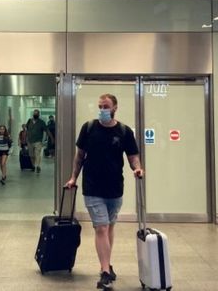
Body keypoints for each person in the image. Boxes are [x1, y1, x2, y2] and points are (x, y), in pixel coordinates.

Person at [65, 93, 144, 290]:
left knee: (109, 227)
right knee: (100, 227)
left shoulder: (124, 131)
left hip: (115, 187)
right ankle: (105, 272)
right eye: (100, 106)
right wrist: (74, 177)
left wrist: (137, 168)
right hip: (92, 187)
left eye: (106, 106)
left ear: (115, 108)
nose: (102, 110)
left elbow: (133, 156)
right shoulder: (89, 128)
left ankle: (107, 263)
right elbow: (79, 156)